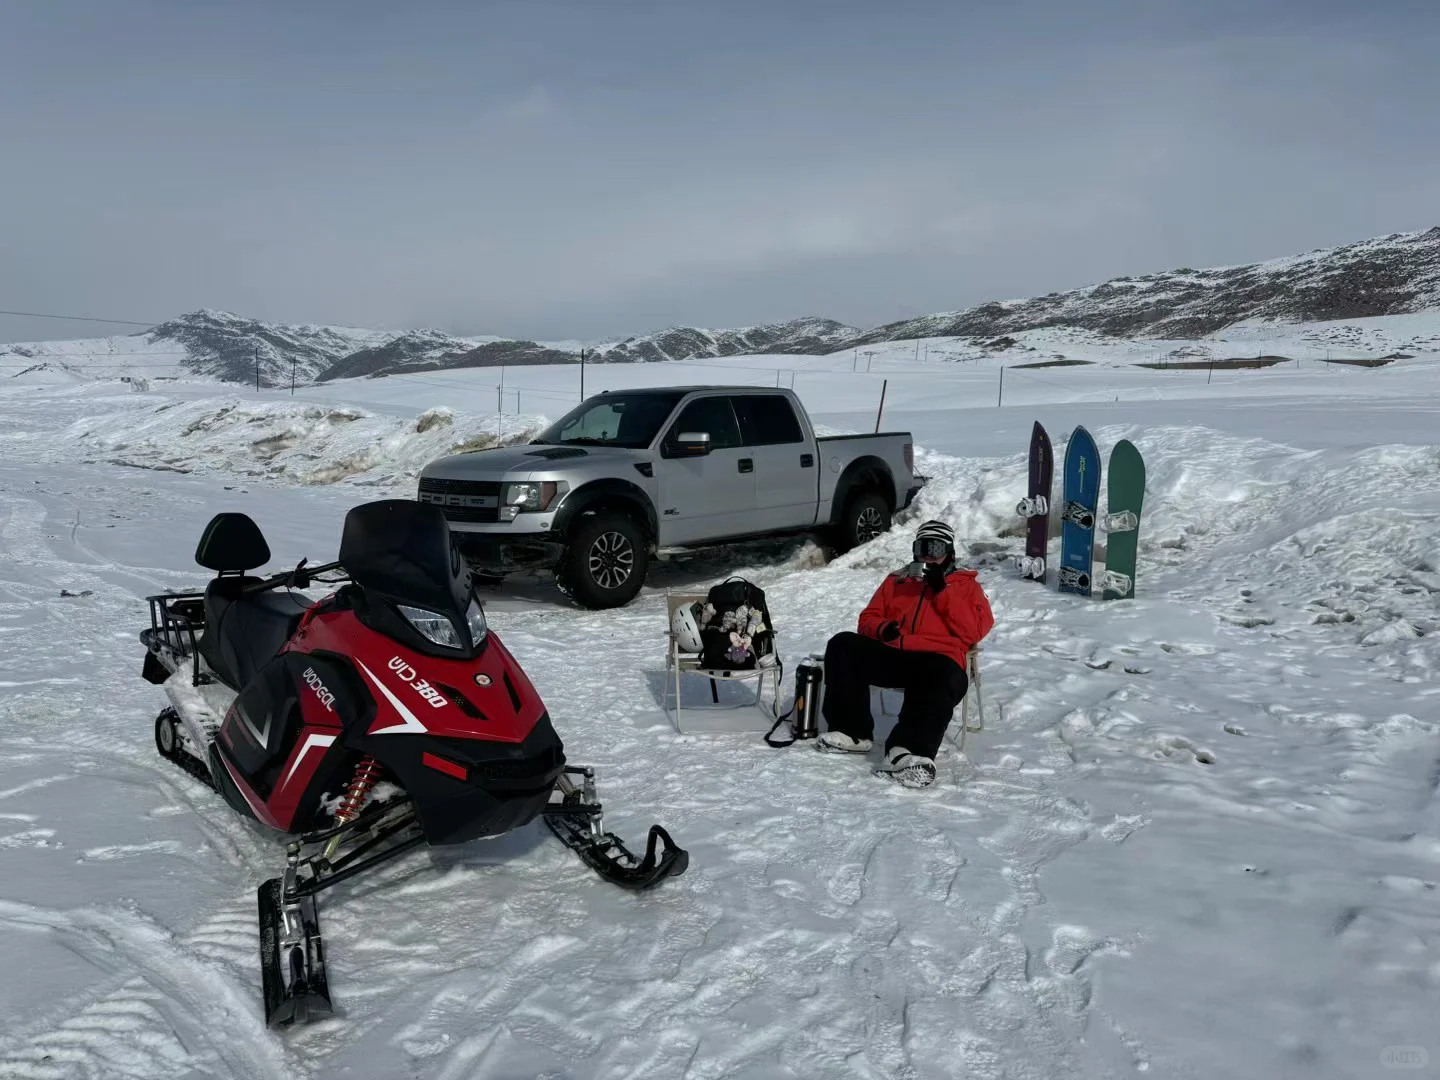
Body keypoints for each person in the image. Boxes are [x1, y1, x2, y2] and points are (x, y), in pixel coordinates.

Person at [817, 520, 994, 787]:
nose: (928, 556)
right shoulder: (897, 580)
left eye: (936, 548)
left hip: (939, 660)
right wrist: (882, 628)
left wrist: (942, 591)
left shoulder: (966, 586)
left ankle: (909, 752)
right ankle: (852, 732)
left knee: (941, 676)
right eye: (922, 547)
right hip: (895, 654)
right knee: (843, 644)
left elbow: (974, 631)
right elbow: (868, 618)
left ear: (949, 551)